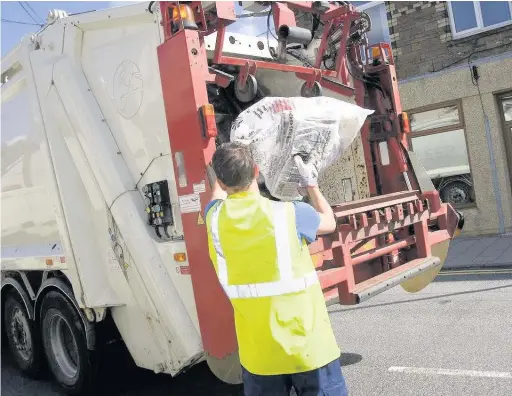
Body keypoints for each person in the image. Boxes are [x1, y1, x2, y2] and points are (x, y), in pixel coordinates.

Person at [205, 142, 348, 396]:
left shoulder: (214, 219)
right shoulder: (292, 214)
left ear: (221, 182)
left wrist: (217, 171)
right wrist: (311, 186)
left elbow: (216, 196)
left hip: (260, 356)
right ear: (257, 171)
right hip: (309, 347)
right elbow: (330, 221)